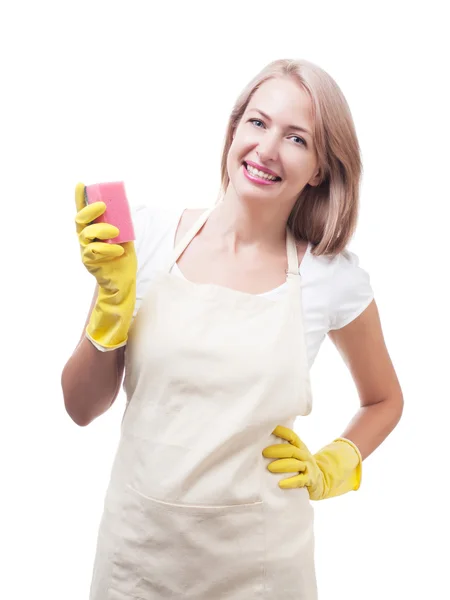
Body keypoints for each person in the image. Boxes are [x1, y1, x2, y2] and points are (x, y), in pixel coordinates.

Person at [61, 58, 404, 599]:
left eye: (297, 138)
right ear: (234, 128)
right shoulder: (145, 239)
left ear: (319, 168)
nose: (267, 149)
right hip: (137, 559)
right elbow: (81, 408)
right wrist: (111, 302)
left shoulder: (329, 279)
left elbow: (384, 400)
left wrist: (334, 465)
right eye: (258, 123)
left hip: (262, 569)